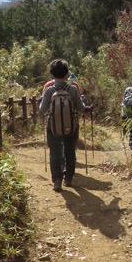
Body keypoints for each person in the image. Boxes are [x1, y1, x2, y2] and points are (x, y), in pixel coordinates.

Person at [39, 59, 89, 191]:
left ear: (52, 75)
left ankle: (57, 180)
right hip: (71, 126)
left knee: (54, 153)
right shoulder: (72, 89)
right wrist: (85, 105)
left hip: (53, 127)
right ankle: (68, 179)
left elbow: (42, 110)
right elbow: (80, 108)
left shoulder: (49, 90)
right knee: (70, 151)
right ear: (66, 74)